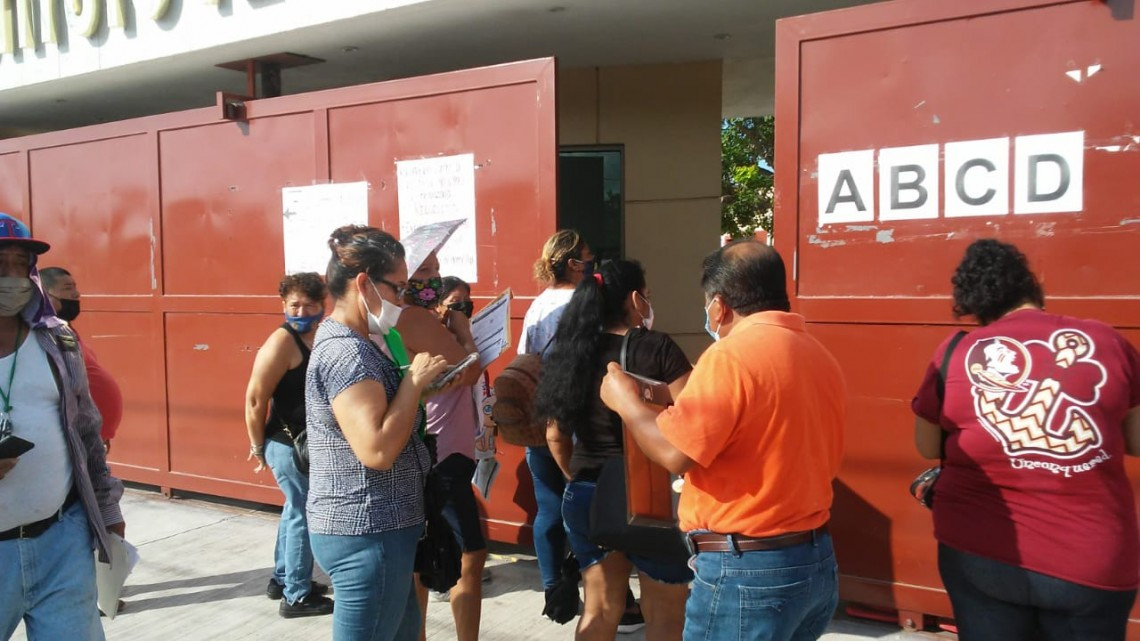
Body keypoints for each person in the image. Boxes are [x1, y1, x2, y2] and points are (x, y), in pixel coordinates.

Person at [600, 241, 845, 641]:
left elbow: (674, 454)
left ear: (719, 305)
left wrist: (626, 403)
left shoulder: (730, 357)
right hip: (813, 560)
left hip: (748, 568)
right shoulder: (816, 352)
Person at [911, 239, 1140, 641]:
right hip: (1092, 561)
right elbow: (1137, 441)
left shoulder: (956, 353)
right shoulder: (1107, 341)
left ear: (972, 302)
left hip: (980, 554)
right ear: (1033, 286)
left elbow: (929, 447)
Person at [535, 259, 693, 641]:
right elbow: (691, 424)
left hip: (587, 493)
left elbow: (555, 435)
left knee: (600, 608)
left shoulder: (571, 352)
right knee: (666, 614)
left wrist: (579, 477)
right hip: (649, 496)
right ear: (636, 299)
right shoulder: (658, 348)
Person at [305, 225, 449, 641]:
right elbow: (376, 450)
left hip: (381, 526)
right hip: (367, 528)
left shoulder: (356, 341)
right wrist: (412, 384)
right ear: (364, 283)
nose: (402, 301)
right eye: (398, 288)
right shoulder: (347, 352)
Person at [0, 213, 126, 641]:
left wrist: (108, 512)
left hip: (61, 539)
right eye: (0, 264)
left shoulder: (56, 340)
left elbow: (88, 434)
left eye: (21, 264)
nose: (13, 277)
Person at [395, 255, 485, 641]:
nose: (434, 276)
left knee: (424, 554)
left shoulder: (414, 322)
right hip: (439, 452)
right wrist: (463, 331)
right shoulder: (414, 321)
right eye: (426, 271)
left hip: (441, 451)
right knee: (470, 555)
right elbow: (469, 366)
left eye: (435, 269)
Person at [243, 272, 333, 618]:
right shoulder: (281, 342)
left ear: (322, 304)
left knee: (294, 509)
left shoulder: (315, 336)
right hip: (288, 445)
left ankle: (282, 579)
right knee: (303, 515)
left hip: (304, 444)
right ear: (283, 305)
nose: (302, 311)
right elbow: (254, 399)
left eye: (310, 304)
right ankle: (297, 595)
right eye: (294, 304)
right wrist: (256, 446)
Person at [39, 267, 123, 454]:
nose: (76, 294)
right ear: (44, 293)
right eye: (68, 288)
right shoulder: (42, 337)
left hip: (92, 438)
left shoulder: (66, 332)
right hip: (74, 441)